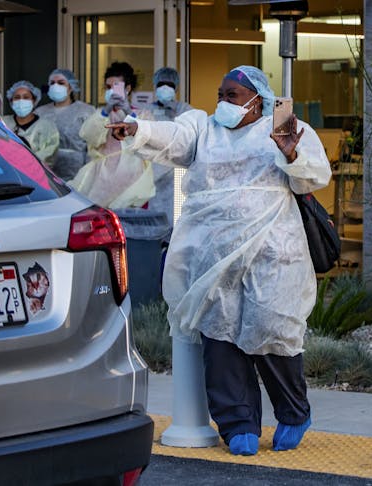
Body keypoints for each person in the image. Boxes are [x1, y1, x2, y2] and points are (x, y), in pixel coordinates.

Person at [108, 65, 331, 456]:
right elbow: (173, 136)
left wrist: (291, 153)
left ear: (257, 100)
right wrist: (137, 130)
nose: (223, 103)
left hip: (271, 253)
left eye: (232, 95)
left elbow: (313, 178)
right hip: (211, 255)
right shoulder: (203, 128)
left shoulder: (283, 129)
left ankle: (294, 413)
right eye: (220, 95)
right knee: (220, 335)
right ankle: (237, 422)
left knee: (272, 329)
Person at [71, 61, 155, 209]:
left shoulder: (143, 114)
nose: (111, 91)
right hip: (103, 181)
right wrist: (105, 111)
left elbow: (150, 138)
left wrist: (129, 112)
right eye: (108, 87)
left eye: (116, 86)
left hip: (133, 181)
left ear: (127, 88)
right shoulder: (100, 115)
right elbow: (88, 135)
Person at [142, 67, 194, 239]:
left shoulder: (185, 110)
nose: (165, 88)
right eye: (161, 84)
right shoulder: (146, 110)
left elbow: (189, 137)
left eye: (169, 84)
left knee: (177, 220)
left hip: (177, 173)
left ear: (176, 87)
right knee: (154, 220)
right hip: (152, 172)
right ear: (155, 86)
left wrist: (174, 115)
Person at [34, 69, 95, 179]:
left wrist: (88, 174)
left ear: (71, 87)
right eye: (52, 83)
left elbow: (92, 145)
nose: (55, 86)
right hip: (44, 171)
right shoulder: (40, 112)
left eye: (61, 83)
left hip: (76, 171)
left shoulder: (85, 111)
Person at [2, 80, 59, 166]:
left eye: (26, 97)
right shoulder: (2, 123)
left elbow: (49, 155)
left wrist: (24, 161)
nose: (21, 101)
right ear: (11, 101)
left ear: (34, 100)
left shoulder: (47, 127)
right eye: (17, 97)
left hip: (35, 176)